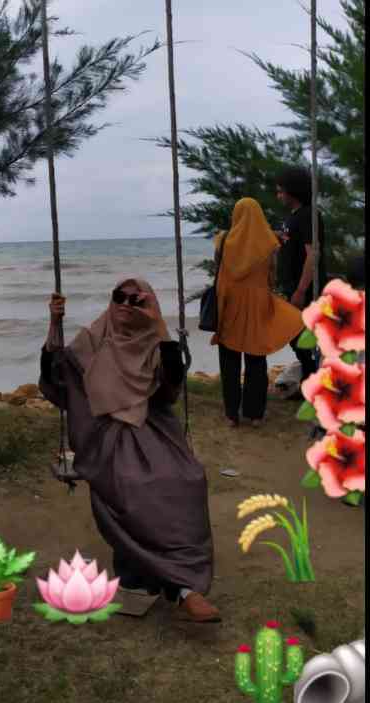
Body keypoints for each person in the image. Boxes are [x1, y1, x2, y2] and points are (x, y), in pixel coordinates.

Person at [39, 277, 219, 623]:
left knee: (187, 482)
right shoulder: (93, 339)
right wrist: (54, 323)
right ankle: (181, 589)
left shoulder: (156, 343)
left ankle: (170, 581)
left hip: (151, 428)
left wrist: (161, 326)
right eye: (119, 297)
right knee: (132, 487)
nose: (125, 304)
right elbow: (56, 376)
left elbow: (169, 391)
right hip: (105, 435)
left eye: (136, 301)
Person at [210, 198, 304, 428]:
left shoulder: (223, 240)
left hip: (229, 305)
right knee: (256, 360)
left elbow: (217, 266)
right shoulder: (269, 243)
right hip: (257, 305)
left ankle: (232, 415)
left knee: (229, 361)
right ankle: (255, 415)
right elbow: (272, 276)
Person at [275, 166, 327, 385]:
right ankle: (309, 378)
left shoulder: (309, 215)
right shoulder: (293, 216)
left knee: (301, 336)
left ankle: (313, 380)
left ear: (292, 191)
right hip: (289, 285)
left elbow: (312, 254)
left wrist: (301, 290)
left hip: (303, 288)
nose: (278, 195)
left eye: (280, 191)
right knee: (293, 335)